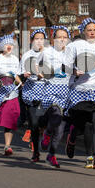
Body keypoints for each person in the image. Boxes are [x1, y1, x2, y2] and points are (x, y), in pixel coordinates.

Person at [64, 18, 95, 169]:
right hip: (80, 88)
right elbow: (64, 67)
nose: (92, 32)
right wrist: (75, 72)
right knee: (81, 123)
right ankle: (72, 138)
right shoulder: (75, 46)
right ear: (83, 32)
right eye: (89, 30)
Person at [35, 25, 72, 168]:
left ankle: (51, 155)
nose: (62, 40)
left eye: (64, 37)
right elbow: (37, 65)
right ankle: (47, 133)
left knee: (61, 129)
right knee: (56, 115)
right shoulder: (47, 52)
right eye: (59, 37)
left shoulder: (71, 53)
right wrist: (39, 73)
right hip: (51, 90)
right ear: (53, 39)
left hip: (67, 92)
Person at [0, 33, 22, 156]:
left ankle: (7, 146)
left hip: (12, 92)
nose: (9, 47)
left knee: (12, 117)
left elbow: (16, 75)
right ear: (2, 46)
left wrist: (21, 83)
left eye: (11, 45)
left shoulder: (15, 59)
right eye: (7, 44)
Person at [19, 29, 47, 161]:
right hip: (31, 93)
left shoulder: (50, 54)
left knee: (45, 121)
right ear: (32, 41)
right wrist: (24, 75)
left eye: (42, 38)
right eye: (36, 39)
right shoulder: (26, 55)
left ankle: (44, 134)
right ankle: (36, 152)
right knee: (34, 123)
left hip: (47, 92)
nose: (39, 41)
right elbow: (19, 74)